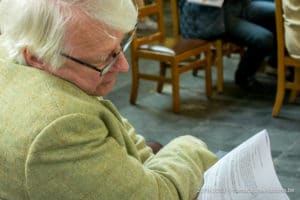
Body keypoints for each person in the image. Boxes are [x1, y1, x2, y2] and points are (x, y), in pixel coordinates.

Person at [0, 0, 217, 200]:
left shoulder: (18, 46)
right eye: (104, 57)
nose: (124, 66)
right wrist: (191, 145)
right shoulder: (60, 127)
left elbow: (111, 121)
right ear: (38, 58)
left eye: (121, 45)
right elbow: (158, 195)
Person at [178, 0, 277, 91]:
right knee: (264, 38)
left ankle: (275, 63)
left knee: (279, 11)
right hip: (211, 17)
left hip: (238, 5)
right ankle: (244, 77)